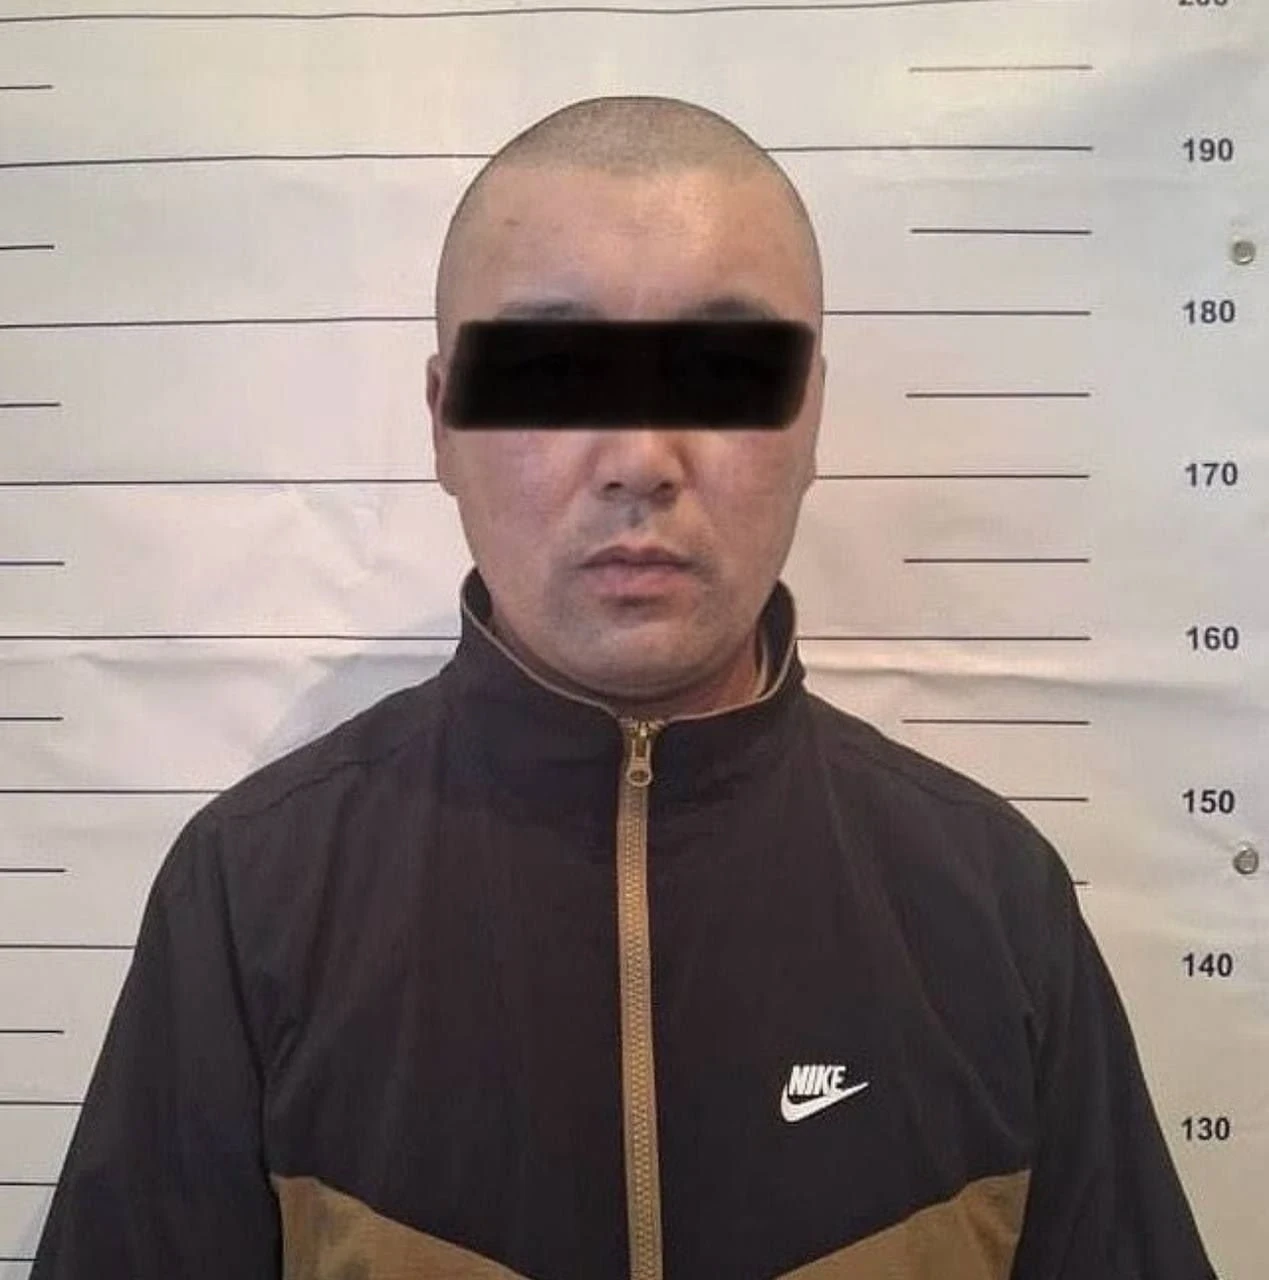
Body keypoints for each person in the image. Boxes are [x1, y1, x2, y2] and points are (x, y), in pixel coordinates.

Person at [30, 95, 1217, 1280]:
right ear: (442, 422)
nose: (642, 459)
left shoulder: (995, 905)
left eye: (723, 372)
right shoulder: (249, 897)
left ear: (810, 419)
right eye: (551, 371)